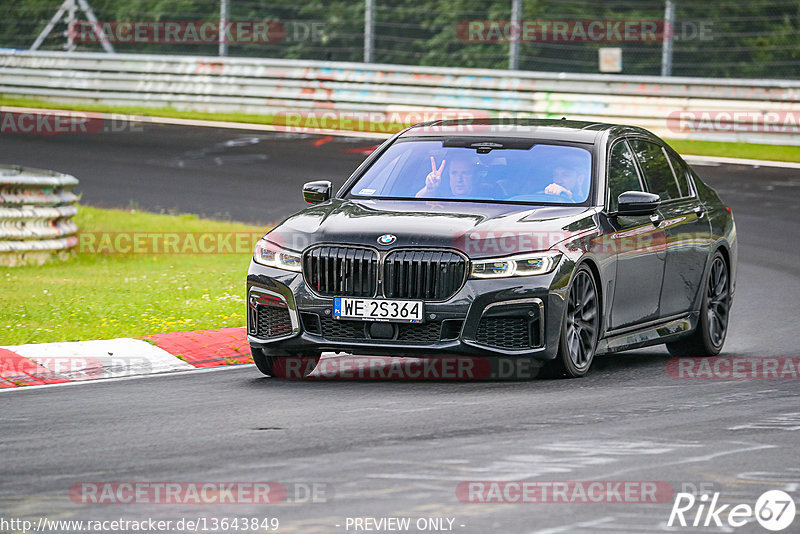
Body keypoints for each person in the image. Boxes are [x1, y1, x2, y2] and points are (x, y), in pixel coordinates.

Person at [416, 155, 480, 198]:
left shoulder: (485, 194)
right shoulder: (441, 195)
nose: (459, 179)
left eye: (465, 173)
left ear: (474, 176)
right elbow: (417, 203)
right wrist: (429, 188)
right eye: (454, 173)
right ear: (449, 175)